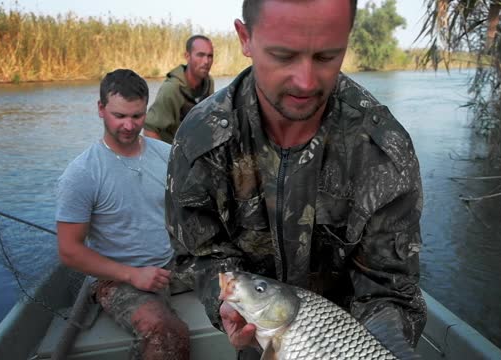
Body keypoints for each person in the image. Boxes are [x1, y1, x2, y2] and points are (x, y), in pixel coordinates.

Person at [166, 0, 426, 357]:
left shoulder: (382, 150)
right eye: (283, 55)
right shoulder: (200, 140)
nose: (305, 82)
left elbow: (390, 288)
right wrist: (223, 300)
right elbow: (199, 254)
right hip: (261, 341)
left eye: (326, 56)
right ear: (245, 38)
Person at [56, 69, 189, 360]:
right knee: (166, 331)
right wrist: (133, 274)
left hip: (171, 263)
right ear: (101, 109)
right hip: (117, 278)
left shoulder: (167, 155)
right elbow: (69, 251)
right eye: (119, 116)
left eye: (137, 116)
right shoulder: (82, 174)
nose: (129, 126)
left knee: (243, 286)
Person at [144, 35, 215, 143]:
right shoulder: (171, 89)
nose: (206, 61)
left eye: (210, 56)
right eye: (200, 55)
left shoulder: (209, 83)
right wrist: (165, 158)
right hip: (171, 150)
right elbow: (150, 130)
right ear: (187, 56)